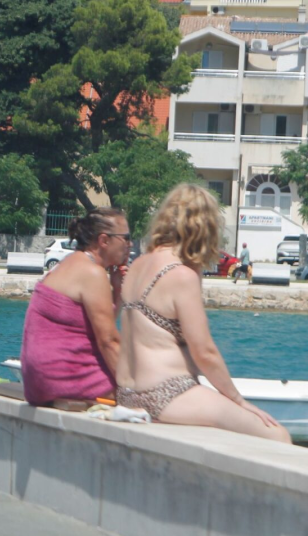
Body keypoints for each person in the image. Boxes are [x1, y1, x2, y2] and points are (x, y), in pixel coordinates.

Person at [117, 184, 289, 442]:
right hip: (166, 393)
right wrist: (237, 399)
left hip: (127, 392)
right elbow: (204, 351)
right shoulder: (181, 274)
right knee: (277, 436)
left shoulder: (138, 265)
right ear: (202, 227)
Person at [20, 208, 131, 406]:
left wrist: (117, 292)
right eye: (126, 238)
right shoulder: (92, 273)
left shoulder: (69, 263)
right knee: (153, 393)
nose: (130, 245)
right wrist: (133, 389)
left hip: (38, 381)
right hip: (65, 377)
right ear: (104, 240)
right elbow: (109, 341)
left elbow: (91, 328)